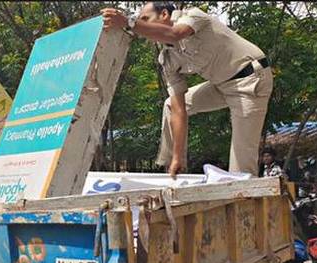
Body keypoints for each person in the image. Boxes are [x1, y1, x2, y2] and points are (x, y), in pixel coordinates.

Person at [102, 2, 273, 177]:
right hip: (221, 86)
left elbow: (175, 34)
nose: (143, 25)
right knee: (170, 105)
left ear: (164, 15)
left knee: (241, 168)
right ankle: (172, 167)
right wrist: (177, 158)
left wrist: (128, 22)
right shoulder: (168, 59)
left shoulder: (193, 16)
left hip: (250, 80)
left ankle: (247, 196)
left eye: (146, 19)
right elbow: (179, 109)